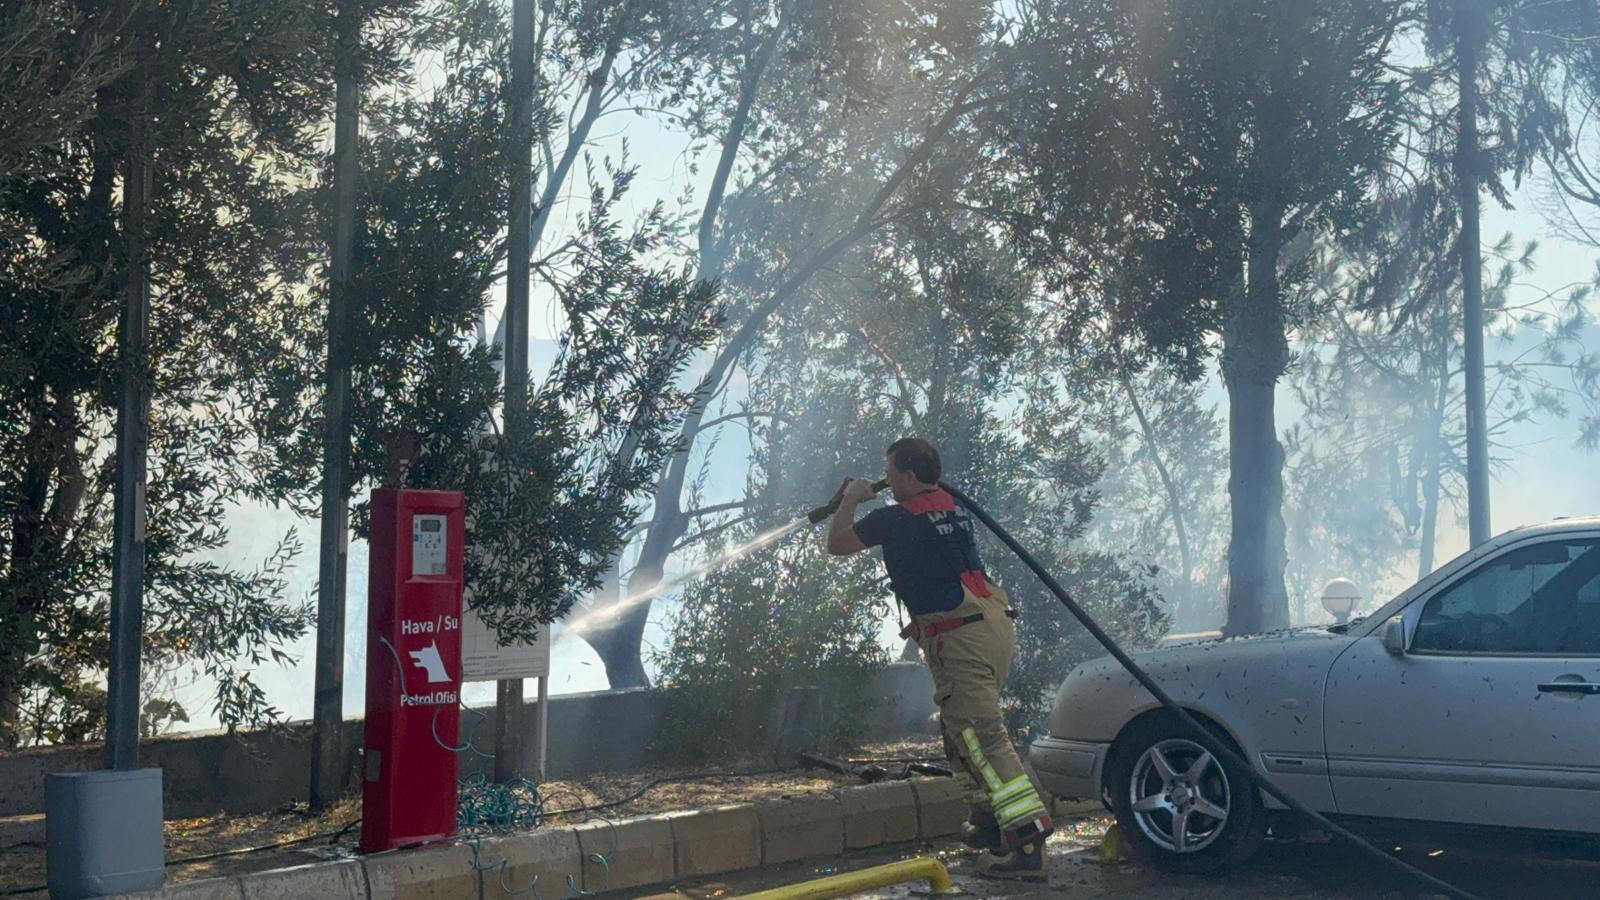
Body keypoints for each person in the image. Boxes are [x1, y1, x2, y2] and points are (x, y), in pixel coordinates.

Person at [825, 437, 1053, 881]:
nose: (887, 482)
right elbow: (938, 567)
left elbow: (837, 543)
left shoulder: (893, 519)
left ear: (910, 476)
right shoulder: (952, 505)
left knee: (982, 735)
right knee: (959, 733)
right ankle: (991, 825)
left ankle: (1028, 844)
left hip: (962, 636)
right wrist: (925, 623)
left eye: (891, 474)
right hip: (984, 622)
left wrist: (851, 499)